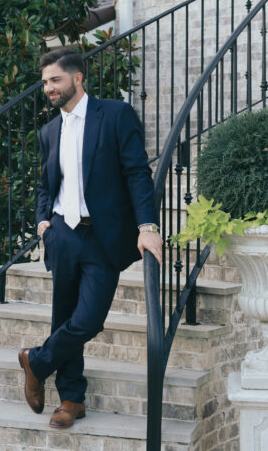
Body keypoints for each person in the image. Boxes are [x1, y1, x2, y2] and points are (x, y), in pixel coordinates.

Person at [19, 48, 163, 429]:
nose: (48, 88)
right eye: (46, 81)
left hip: (102, 236)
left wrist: (147, 228)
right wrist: (43, 222)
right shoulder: (49, 131)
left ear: (77, 78)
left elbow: (136, 173)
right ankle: (71, 399)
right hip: (62, 234)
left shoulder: (115, 115)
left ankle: (36, 361)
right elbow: (46, 184)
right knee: (63, 316)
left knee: (88, 320)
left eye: (55, 80)